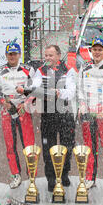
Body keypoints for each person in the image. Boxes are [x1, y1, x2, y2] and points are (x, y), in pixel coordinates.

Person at [26, 45, 76, 192]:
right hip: (47, 114)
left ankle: (65, 173)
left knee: (67, 146)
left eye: (51, 55)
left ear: (59, 56)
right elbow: (33, 88)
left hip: (65, 113)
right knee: (49, 147)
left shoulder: (68, 71)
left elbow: (71, 92)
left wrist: (58, 92)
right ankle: (51, 178)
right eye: (46, 55)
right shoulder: (40, 71)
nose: (47, 58)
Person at [77, 38, 103, 194]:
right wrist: (82, 106)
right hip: (88, 114)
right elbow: (80, 90)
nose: (97, 52)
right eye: (94, 49)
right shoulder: (84, 68)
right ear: (91, 51)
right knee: (89, 148)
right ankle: (90, 178)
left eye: (100, 49)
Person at [0, 42, 36, 189]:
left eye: (15, 54)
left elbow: (35, 90)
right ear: (6, 55)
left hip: (24, 111)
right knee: (10, 146)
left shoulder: (28, 69)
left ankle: (31, 176)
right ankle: (16, 175)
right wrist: (3, 102)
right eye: (10, 54)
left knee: (29, 145)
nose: (12, 57)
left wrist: (26, 103)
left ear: (19, 54)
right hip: (7, 111)